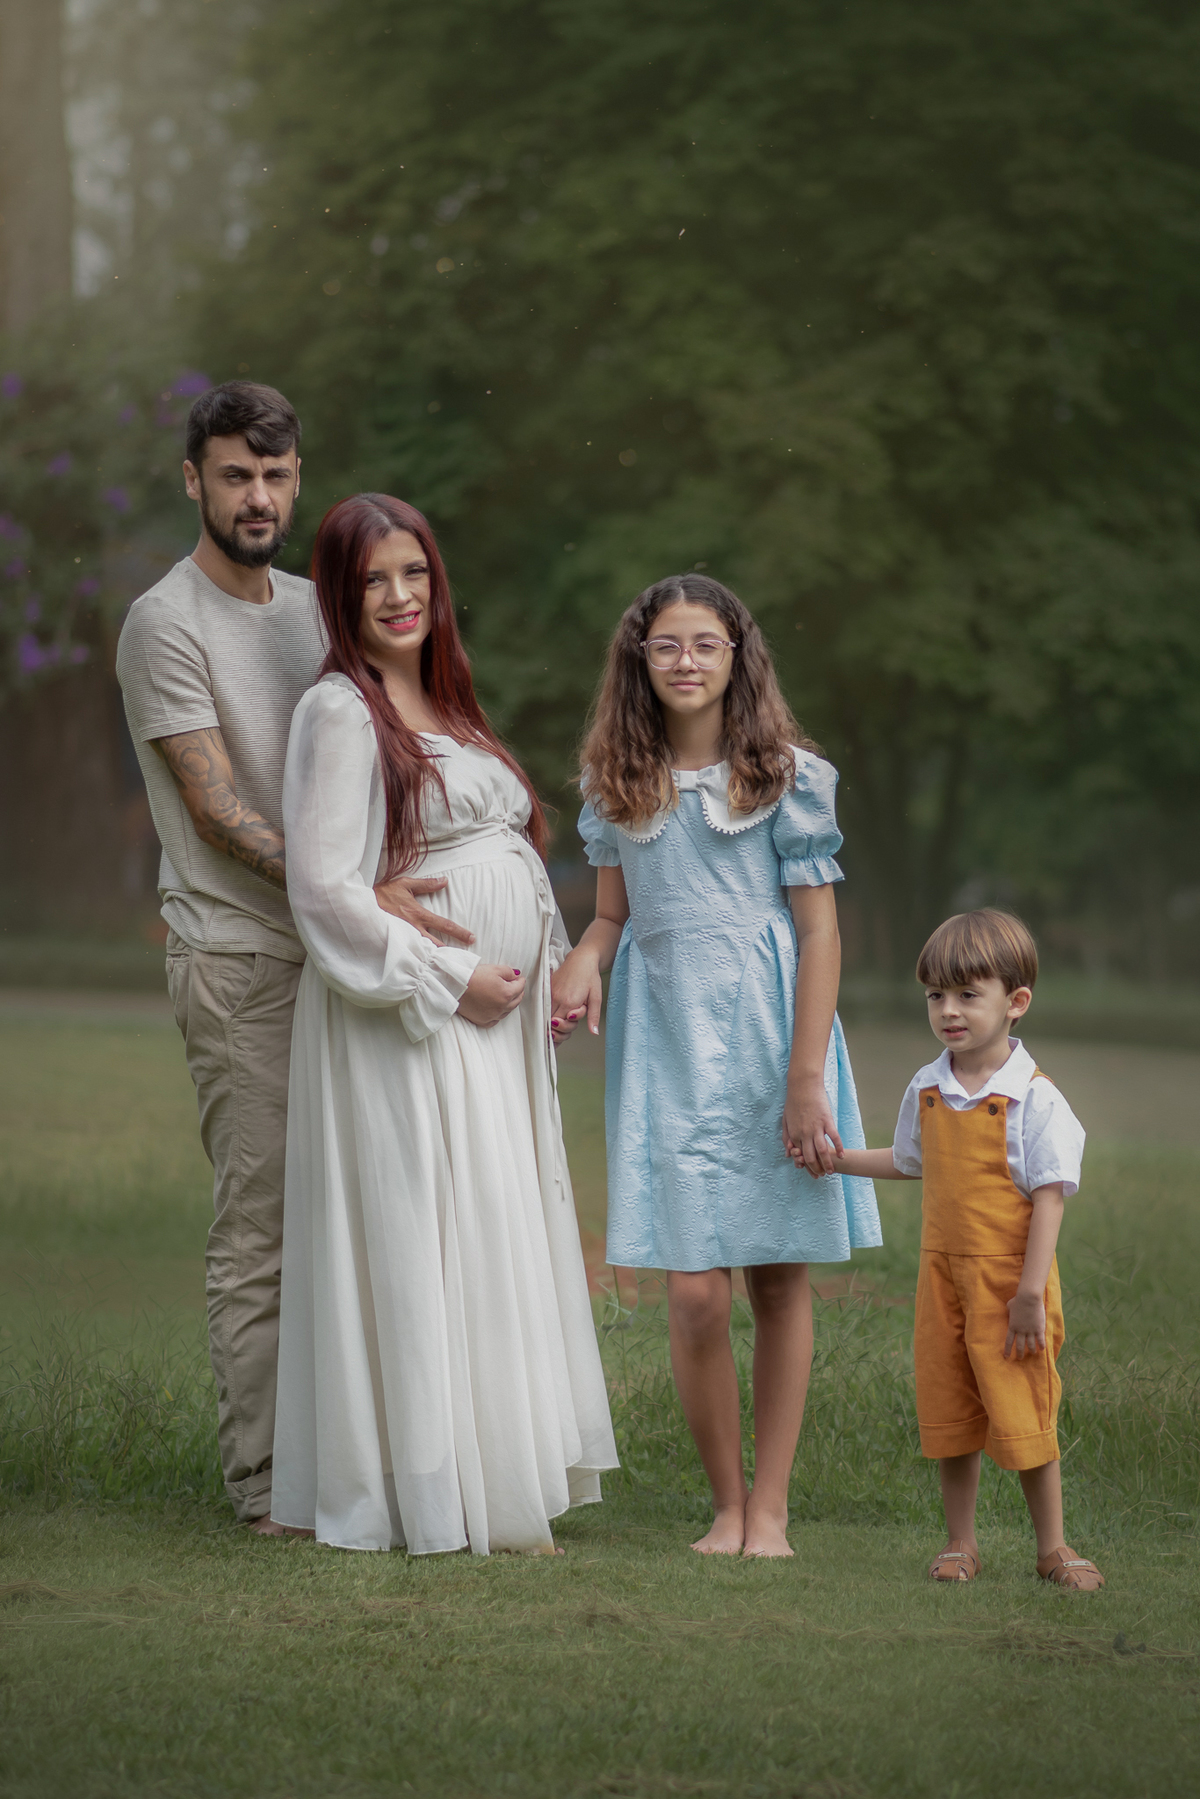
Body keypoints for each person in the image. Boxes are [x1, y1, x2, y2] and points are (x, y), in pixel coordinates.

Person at [116, 384, 474, 1532]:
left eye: (274, 476)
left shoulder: (317, 607)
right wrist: (345, 891)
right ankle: (265, 1483)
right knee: (264, 1227)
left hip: (345, 957)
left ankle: (346, 1460)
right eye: (233, 475)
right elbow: (219, 807)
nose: (257, 496)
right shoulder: (164, 623)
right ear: (194, 481)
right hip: (245, 958)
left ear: (297, 477)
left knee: (359, 1214)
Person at [269, 492, 617, 1554]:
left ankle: (490, 1468)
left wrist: (558, 966)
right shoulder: (339, 711)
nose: (399, 594)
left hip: (489, 1023)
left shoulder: (452, 707)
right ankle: (424, 1487)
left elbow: (503, 856)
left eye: (413, 571)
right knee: (424, 1231)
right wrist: (444, 975)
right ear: (340, 594)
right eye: (373, 578)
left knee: (487, 1227)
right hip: (407, 1021)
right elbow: (326, 888)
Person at [550, 573, 880, 1558]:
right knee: (694, 1290)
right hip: (669, 1048)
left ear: (738, 658)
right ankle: (726, 1501)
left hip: (776, 1041)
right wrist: (583, 955)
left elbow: (818, 934)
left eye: (705, 643)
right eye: (665, 646)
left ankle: (769, 1509)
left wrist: (806, 1076)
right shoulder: (616, 779)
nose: (685, 661)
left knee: (777, 1279)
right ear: (638, 661)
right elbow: (612, 913)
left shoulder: (786, 774)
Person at [833, 908, 1104, 1589]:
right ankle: (961, 1543)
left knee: (1024, 1410)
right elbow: (905, 1160)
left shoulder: (1033, 1101)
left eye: (966, 995)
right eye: (935, 995)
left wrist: (1029, 1296)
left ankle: (1054, 1547)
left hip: (1013, 1288)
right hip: (941, 1282)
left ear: (1016, 1003)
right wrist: (836, 1161)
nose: (948, 1010)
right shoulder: (927, 1087)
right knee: (952, 1411)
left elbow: (1049, 1198)